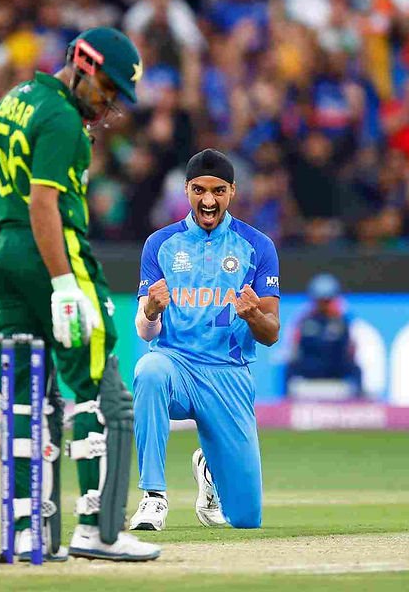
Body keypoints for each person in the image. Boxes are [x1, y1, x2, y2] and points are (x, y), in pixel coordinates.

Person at [0, 27, 160, 562]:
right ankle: (96, 528)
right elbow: (43, 205)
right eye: (109, 88)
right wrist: (65, 285)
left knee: (25, 395)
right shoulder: (63, 120)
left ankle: (28, 532)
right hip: (56, 253)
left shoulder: (12, 103)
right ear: (84, 65)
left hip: (3, 254)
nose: (110, 102)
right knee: (97, 385)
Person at [128, 148, 280, 532]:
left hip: (229, 374)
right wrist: (151, 312)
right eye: (198, 190)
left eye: (217, 191)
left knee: (246, 519)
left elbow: (272, 334)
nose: (208, 200)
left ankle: (210, 473)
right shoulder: (160, 244)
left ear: (232, 191)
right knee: (148, 369)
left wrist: (253, 315)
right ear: (186, 190)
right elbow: (145, 331)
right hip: (176, 366)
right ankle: (153, 497)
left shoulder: (257, 246)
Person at [285, 273, 363, 399]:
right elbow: (293, 352)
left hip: (336, 373)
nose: (323, 305)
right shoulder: (303, 321)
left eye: (327, 301)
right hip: (309, 372)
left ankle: (361, 405)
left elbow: (352, 352)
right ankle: (285, 407)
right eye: (320, 300)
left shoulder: (345, 321)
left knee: (357, 369)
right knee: (288, 368)